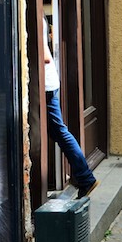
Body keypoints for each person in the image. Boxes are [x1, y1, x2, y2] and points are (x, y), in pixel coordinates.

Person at [42, 18, 97, 197]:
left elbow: (44, 57)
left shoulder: (34, 18)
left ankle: (86, 178)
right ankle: (84, 177)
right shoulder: (40, 17)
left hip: (45, 86)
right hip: (49, 84)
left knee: (60, 132)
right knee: (58, 131)